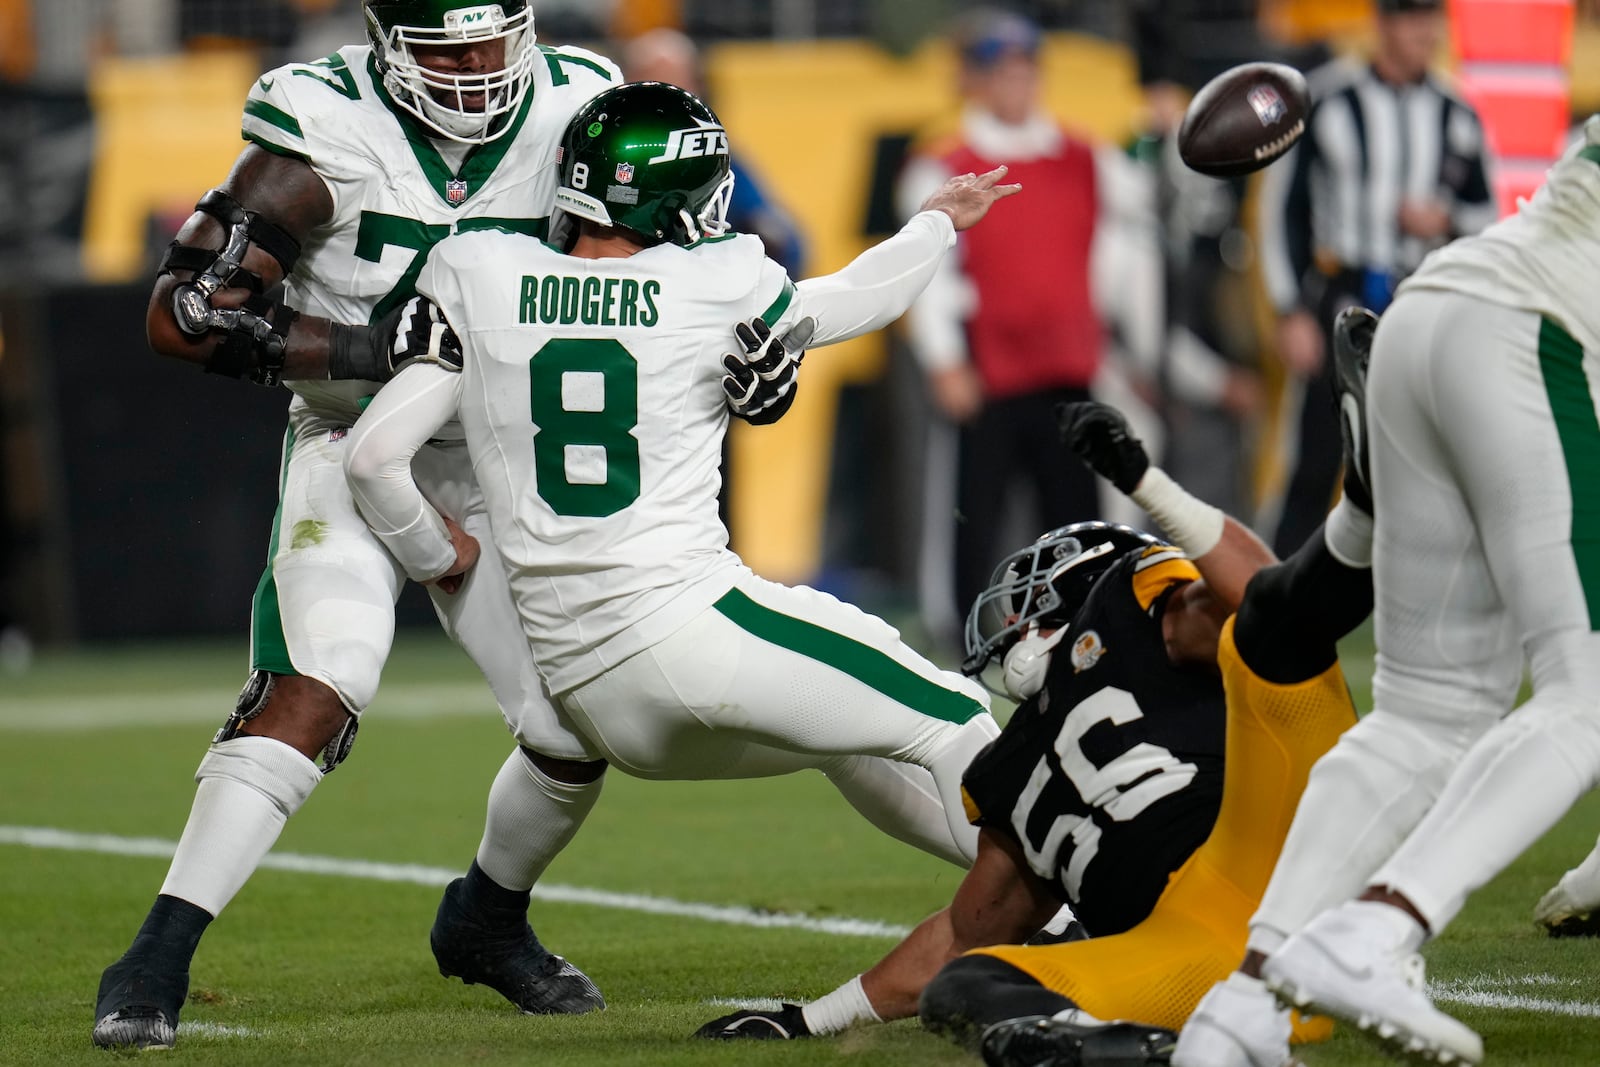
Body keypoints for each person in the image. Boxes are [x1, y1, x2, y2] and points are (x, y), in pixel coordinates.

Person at [91, 2, 790, 1049]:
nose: (473, 67)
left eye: (489, 37)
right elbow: (187, 312)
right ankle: (156, 953)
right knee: (316, 687)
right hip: (352, 442)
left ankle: (485, 920)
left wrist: (755, 342)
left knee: (574, 719)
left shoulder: (576, 100)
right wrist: (372, 347)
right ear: (386, 45)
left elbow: (667, 260)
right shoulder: (324, 122)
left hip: (507, 455)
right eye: (443, 48)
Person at [341, 79, 1019, 992]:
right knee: (953, 717)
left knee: (852, 741)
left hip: (587, 692)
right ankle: (1081, 916)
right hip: (691, 629)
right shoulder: (717, 279)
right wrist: (938, 221)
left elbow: (373, 460)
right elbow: (857, 297)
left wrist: (443, 562)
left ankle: (1061, 909)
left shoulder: (476, 270)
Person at [694, 396, 1372, 1059]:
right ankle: (1173, 1050)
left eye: (1027, 598)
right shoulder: (1017, 766)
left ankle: (1368, 508)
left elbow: (1258, 594)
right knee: (971, 985)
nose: (1011, 623)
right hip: (1191, 957)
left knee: (1279, 628)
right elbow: (960, 938)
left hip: (1269, 867)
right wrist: (807, 1021)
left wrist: (1146, 484)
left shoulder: (1133, 603)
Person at [1178, 114, 1600, 1067]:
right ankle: (1377, 927)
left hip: (1434, 305)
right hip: (1539, 336)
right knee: (1585, 694)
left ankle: (1242, 1008)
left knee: (1428, 710)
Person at [1257, 0, 1495, 557]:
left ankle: (1423, 596)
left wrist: (1446, 221)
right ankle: (1273, 596)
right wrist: (1290, 308)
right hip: (1341, 292)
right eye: (1413, 17)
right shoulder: (1327, 99)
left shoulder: (1455, 111)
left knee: (1427, 459)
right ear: (1383, 23)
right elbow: (1281, 211)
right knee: (1315, 458)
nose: (1427, 32)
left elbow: (1486, 219)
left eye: (1433, 17)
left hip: (1422, 298)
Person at [897, 8, 1107, 627]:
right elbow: (925, 270)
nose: (1015, 84)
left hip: (1068, 367)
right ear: (975, 79)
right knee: (972, 520)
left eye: (1024, 70)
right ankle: (961, 637)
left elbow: (1115, 260)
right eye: (1000, 71)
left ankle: (1082, 634)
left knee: (1077, 524)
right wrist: (943, 359)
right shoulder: (942, 163)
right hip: (988, 371)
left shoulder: (1082, 156)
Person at [620, 27, 806, 277]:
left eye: (676, 84)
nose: (665, 100)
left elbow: (783, 241)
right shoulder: (602, 156)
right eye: (653, 83)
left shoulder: (717, 161)